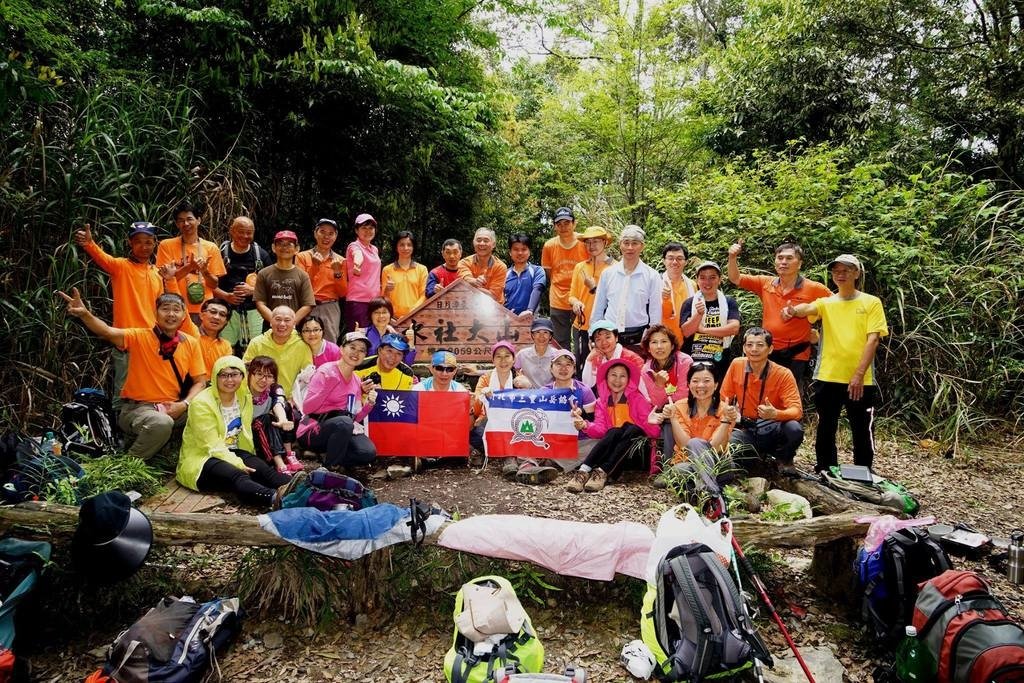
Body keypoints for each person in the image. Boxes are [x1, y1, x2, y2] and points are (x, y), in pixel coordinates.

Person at [60, 289, 207, 459]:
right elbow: (107, 331)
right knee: (161, 423)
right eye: (165, 308)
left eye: (176, 309)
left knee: (208, 409)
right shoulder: (139, 337)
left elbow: (200, 382)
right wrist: (85, 314)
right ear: (155, 313)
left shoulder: (191, 343)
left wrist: (184, 405)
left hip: (173, 406)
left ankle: (190, 456)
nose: (171, 314)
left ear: (184, 316)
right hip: (137, 408)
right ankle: (130, 463)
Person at [784, 254, 888, 472]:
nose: (841, 275)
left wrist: (859, 374)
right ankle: (826, 469)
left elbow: (873, 340)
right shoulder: (827, 303)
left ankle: (862, 472)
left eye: (846, 270)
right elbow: (807, 310)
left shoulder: (871, 302)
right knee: (826, 426)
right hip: (828, 376)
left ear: (856, 273)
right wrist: (793, 310)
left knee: (861, 428)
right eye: (836, 271)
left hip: (860, 378)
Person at [73, 221, 177, 410]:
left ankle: (143, 428)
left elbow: (166, 307)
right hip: (126, 341)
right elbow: (102, 258)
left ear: (155, 243)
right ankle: (118, 434)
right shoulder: (121, 267)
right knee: (123, 389)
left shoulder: (156, 273)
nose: (144, 247)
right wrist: (89, 243)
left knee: (151, 389)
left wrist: (170, 278)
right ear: (130, 243)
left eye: (148, 242)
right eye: (138, 242)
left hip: (152, 342)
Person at [177, 355, 298, 509]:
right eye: (224, 375)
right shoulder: (201, 403)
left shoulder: (242, 396)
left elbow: (272, 390)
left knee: (264, 471)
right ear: (215, 376)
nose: (230, 380)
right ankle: (276, 499)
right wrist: (238, 463)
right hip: (203, 458)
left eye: (235, 375)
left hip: (233, 451)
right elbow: (212, 445)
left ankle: (307, 489)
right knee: (238, 475)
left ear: (243, 376)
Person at [727, 240, 831, 386]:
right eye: (780, 258)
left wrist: (821, 334)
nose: (783, 262)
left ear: (799, 263)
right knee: (766, 392)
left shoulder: (814, 288)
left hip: (797, 353)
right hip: (768, 351)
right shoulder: (765, 283)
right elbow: (735, 278)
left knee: (790, 395)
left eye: (789, 258)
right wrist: (732, 257)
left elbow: (836, 306)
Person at [719, 328, 804, 471]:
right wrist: (728, 410)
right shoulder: (737, 365)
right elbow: (723, 398)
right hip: (747, 428)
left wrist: (775, 414)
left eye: (760, 345)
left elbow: (797, 411)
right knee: (733, 451)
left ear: (770, 349)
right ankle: (757, 456)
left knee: (794, 429)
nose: (754, 349)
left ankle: (784, 459)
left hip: (774, 428)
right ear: (744, 348)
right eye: (750, 345)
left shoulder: (783, 374)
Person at [567, 359, 658, 493]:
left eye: (622, 376)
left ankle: (603, 472)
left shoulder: (638, 399)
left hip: (637, 453)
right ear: (606, 377)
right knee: (614, 431)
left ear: (629, 379)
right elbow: (601, 430)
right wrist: (584, 425)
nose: (617, 380)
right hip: (614, 454)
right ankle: (583, 471)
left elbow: (654, 433)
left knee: (632, 428)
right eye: (613, 375)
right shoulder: (602, 402)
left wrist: (650, 423)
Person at [296, 331, 378, 469]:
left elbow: (354, 418)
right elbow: (307, 409)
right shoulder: (325, 371)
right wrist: (327, 388)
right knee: (344, 423)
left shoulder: (356, 380)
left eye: (362, 350)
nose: (356, 353)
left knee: (368, 453)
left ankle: (329, 456)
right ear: (341, 348)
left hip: (341, 428)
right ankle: (330, 468)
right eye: (352, 347)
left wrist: (369, 404)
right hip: (312, 428)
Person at [656, 363, 740, 497]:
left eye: (706, 381)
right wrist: (672, 418)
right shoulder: (679, 407)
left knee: (695, 447)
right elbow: (685, 445)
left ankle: (703, 489)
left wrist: (725, 421)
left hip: (718, 464)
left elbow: (715, 448)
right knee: (681, 469)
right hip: (686, 464)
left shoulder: (727, 410)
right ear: (689, 384)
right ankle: (712, 492)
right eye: (695, 381)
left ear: (716, 385)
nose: (700, 385)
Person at [591, 225, 662, 351]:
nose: (630, 247)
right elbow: (598, 309)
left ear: (642, 246)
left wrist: (652, 341)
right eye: (626, 243)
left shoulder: (652, 276)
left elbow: (655, 313)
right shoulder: (608, 274)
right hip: (608, 340)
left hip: (638, 340)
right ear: (620, 245)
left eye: (635, 243)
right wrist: (592, 337)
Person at [156, 203, 226, 323]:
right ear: (177, 224)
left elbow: (214, 285)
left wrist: (204, 272)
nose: (186, 224)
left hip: (204, 310)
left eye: (189, 219)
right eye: (181, 220)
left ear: (198, 220)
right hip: (176, 308)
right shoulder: (166, 245)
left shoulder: (211, 248)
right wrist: (190, 267)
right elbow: (166, 279)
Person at [214, 217, 271, 355]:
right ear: (232, 231)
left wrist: (253, 290)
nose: (245, 236)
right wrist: (227, 296)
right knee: (226, 349)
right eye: (241, 232)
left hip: (254, 310)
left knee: (253, 350)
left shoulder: (261, 255)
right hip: (226, 310)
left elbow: (272, 284)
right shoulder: (220, 253)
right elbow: (210, 284)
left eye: (249, 233)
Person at [473, 340, 532, 473]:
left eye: (507, 356)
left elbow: (529, 404)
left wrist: (528, 387)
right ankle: (504, 454)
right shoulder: (486, 378)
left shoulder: (519, 378)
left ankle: (508, 456)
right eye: (498, 356)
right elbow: (476, 400)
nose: (503, 360)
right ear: (493, 360)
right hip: (490, 421)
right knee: (475, 433)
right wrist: (483, 395)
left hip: (513, 423)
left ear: (513, 359)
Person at [679, 261, 741, 380]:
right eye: (703, 278)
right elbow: (686, 332)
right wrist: (698, 315)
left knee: (717, 390)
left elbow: (734, 328)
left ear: (719, 279)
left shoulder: (728, 301)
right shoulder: (689, 303)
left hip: (720, 356)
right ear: (697, 280)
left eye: (712, 277)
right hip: (693, 355)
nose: (707, 282)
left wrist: (703, 329)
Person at [639, 324, 693, 458]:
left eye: (664, 341)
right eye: (654, 342)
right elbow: (656, 402)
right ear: (649, 349)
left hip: (687, 407)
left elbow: (684, 394)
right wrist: (658, 385)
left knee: (669, 421)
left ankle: (669, 465)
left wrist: (663, 392)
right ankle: (666, 464)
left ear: (672, 345)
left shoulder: (684, 362)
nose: (659, 347)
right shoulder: (647, 370)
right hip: (662, 411)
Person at [568, 225, 616, 373]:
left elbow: (614, 301)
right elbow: (572, 295)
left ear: (605, 243)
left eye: (596, 241)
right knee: (583, 366)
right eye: (588, 242)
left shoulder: (615, 268)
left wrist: (594, 288)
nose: (591, 245)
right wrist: (575, 302)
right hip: (581, 326)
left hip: (605, 329)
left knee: (607, 367)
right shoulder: (580, 267)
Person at [242, 305, 313, 401]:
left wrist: (294, 399)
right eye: (278, 319)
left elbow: (308, 377)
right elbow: (245, 371)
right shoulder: (257, 343)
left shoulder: (302, 345)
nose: (282, 324)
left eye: (287, 320)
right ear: (271, 322)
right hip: (259, 399)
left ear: (294, 323)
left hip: (289, 400)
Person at [542, 207, 588, 350]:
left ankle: (581, 370)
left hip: (581, 298)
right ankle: (563, 369)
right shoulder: (549, 245)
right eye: (559, 224)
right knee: (559, 341)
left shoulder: (584, 242)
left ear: (574, 224)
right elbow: (549, 272)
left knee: (582, 338)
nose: (563, 227)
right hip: (558, 299)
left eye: (567, 223)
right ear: (555, 226)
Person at [247, 355, 302, 474]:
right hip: (250, 435)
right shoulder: (242, 390)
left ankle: (288, 454)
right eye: (259, 374)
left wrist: (282, 420)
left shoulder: (275, 389)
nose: (263, 380)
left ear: (274, 379)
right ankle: (280, 464)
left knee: (286, 407)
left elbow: (278, 403)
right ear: (250, 374)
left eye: (269, 376)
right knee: (265, 419)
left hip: (268, 430)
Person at [296, 218, 346, 342]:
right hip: (307, 306)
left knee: (329, 343)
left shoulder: (341, 260)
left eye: (331, 233)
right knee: (304, 343)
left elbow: (343, 293)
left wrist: (337, 273)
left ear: (336, 236)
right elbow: (300, 286)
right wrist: (314, 266)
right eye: (322, 232)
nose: (326, 237)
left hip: (330, 307)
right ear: (315, 233)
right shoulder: (302, 256)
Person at [253, 230, 315, 326]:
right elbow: (260, 303)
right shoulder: (263, 273)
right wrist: (275, 321)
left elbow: (308, 305)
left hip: (295, 328)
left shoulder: (303, 275)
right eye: (280, 244)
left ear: (297, 249)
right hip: (270, 327)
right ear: (273, 248)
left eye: (289, 244)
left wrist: (290, 323)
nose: (284, 247)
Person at [344, 213, 382, 332]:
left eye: (371, 228)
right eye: (364, 228)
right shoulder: (354, 246)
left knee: (373, 337)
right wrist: (357, 264)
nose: (368, 231)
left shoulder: (374, 249)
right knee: (358, 339)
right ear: (356, 230)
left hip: (375, 301)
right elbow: (357, 255)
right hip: (358, 301)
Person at [581, 320, 643, 389]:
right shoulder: (597, 358)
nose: (604, 342)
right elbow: (587, 384)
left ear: (616, 338)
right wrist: (588, 360)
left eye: (608, 337)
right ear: (594, 343)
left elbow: (642, 387)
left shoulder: (632, 358)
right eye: (598, 339)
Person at [179, 298, 233, 375]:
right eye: (213, 312)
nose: (216, 317)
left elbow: (225, 373)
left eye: (222, 314)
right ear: (201, 315)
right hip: (191, 384)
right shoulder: (191, 332)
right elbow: (180, 305)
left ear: (226, 322)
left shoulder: (225, 346)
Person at [381, 230, 428, 319]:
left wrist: (412, 312)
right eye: (401, 244)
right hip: (393, 319)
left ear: (413, 247)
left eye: (409, 245)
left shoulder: (422, 269)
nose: (405, 248)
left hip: (416, 317)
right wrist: (387, 289)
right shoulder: (387, 270)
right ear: (396, 247)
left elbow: (424, 295)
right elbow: (384, 298)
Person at [660, 242, 698, 349]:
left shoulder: (692, 285)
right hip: (663, 339)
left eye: (679, 258)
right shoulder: (656, 283)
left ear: (685, 262)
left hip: (687, 338)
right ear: (664, 261)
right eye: (670, 258)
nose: (674, 262)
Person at [458, 227, 507, 303]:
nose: (482, 243)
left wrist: (470, 286)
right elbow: (465, 277)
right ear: (473, 243)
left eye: (486, 240)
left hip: (494, 309)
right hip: (469, 306)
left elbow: (493, 296)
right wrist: (474, 281)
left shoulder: (500, 267)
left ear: (493, 244)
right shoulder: (464, 263)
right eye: (478, 240)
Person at [503, 233, 546, 317]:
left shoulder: (537, 271)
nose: (520, 253)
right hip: (507, 320)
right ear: (510, 252)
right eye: (516, 249)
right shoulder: (504, 274)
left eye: (524, 249)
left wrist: (530, 310)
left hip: (531, 320)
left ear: (529, 252)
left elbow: (537, 289)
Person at [364, 297, 416, 364]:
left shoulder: (396, 338)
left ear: (390, 314)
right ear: (370, 315)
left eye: (384, 312)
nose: (381, 316)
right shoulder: (364, 334)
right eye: (376, 312)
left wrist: (411, 342)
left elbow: (406, 364)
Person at [514, 317, 558, 387]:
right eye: (537, 332)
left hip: (550, 395)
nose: (541, 336)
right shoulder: (522, 354)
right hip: (529, 394)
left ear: (550, 336)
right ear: (533, 335)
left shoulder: (557, 355)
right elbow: (512, 370)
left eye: (545, 332)